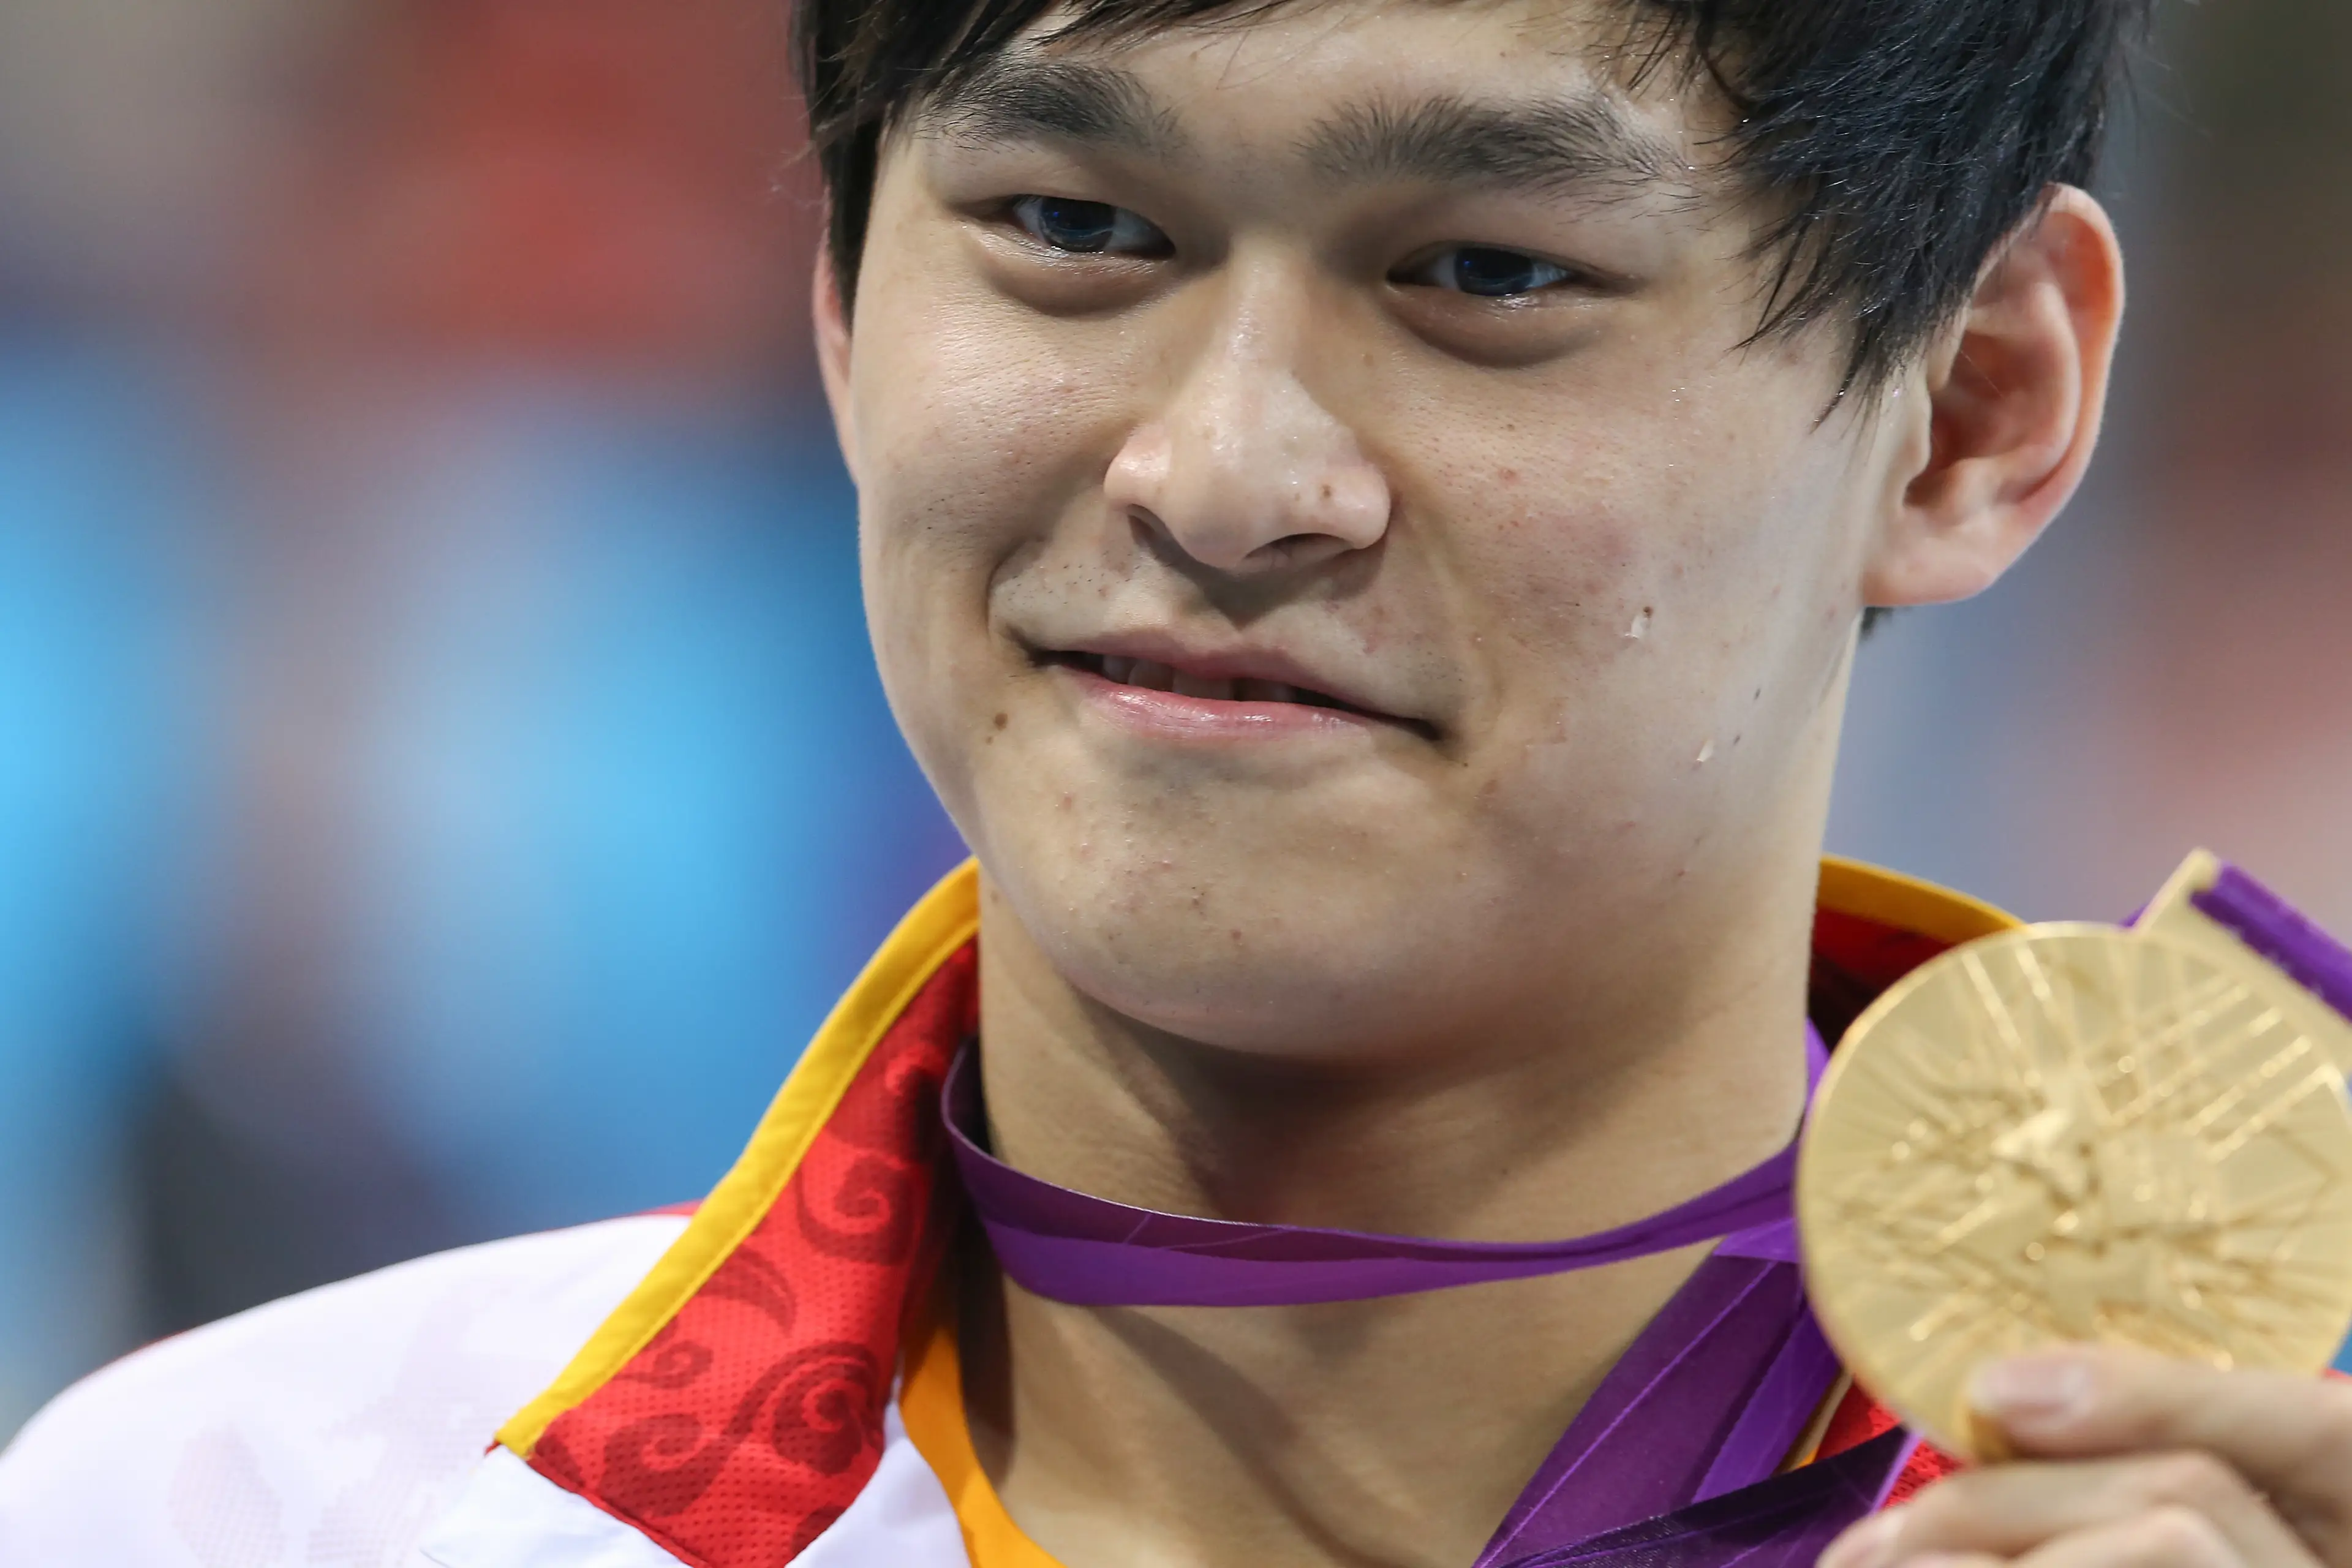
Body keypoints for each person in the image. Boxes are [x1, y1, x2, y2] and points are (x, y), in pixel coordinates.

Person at [8, 0, 2352, 1566]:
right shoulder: (251, 1512)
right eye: (1072, 231)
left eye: (1484, 269)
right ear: (841, 296)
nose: (1226, 474)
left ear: (1974, 411)